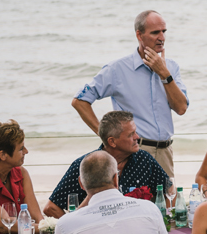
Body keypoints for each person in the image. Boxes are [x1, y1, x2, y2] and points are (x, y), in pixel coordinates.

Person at [72, 10, 188, 178]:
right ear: (139, 35)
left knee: (167, 203)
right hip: (132, 152)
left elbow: (181, 108)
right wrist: (106, 137)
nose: (162, 37)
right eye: (155, 32)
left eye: (164, 31)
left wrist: (164, 74)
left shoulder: (171, 67)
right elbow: (80, 101)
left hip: (165, 152)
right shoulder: (117, 69)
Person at [43, 110, 169, 219]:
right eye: (131, 134)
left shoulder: (144, 160)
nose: (137, 137)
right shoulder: (85, 165)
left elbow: (169, 191)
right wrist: (75, 228)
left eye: (135, 132)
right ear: (112, 142)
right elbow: (50, 208)